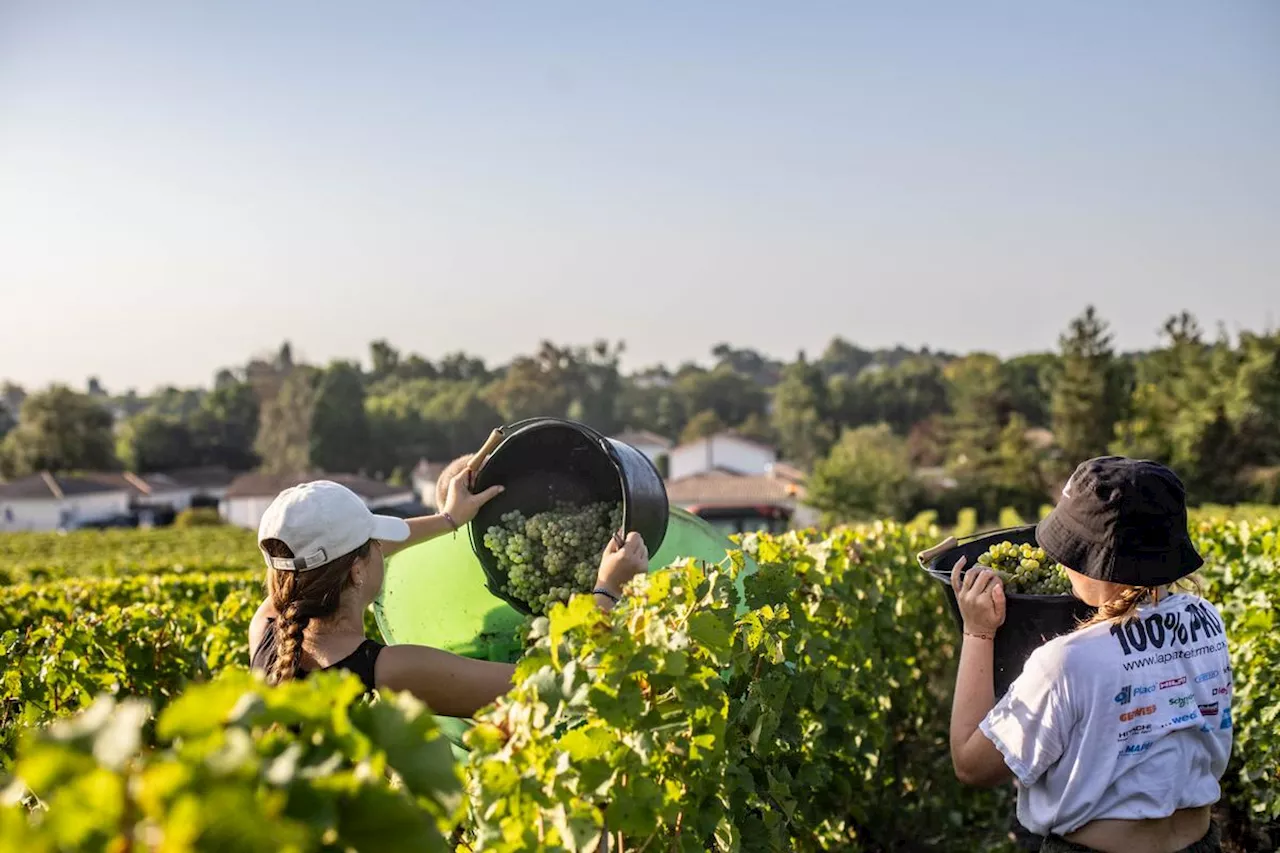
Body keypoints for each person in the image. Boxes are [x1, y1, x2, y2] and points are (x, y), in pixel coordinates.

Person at [948, 456, 1232, 853]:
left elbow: (970, 765)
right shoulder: (1208, 620)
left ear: (1093, 559)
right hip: (1201, 844)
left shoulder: (1066, 662)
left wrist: (977, 631)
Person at [248, 469, 649, 718]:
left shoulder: (266, 633)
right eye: (374, 546)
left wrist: (449, 518)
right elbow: (547, 685)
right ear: (356, 571)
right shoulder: (392, 671)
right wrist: (608, 592)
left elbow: (320, 564)